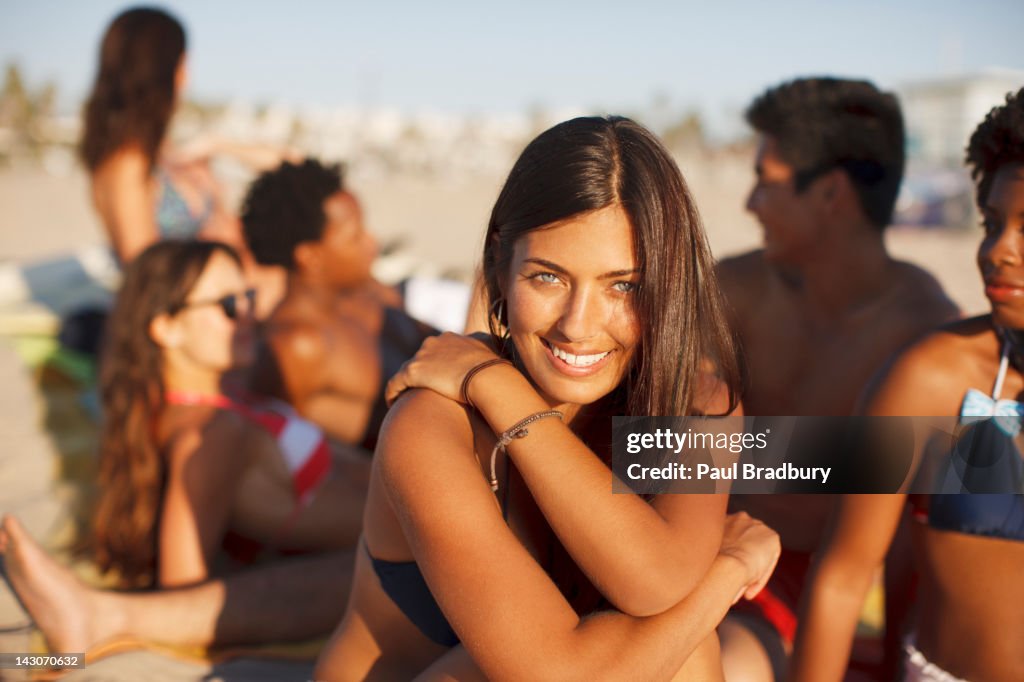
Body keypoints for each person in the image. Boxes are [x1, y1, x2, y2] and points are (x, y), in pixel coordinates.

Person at [313, 115, 779, 680]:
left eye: (623, 286)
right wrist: (729, 569)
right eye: (547, 278)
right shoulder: (433, 424)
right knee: (685, 643)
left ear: (668, 284)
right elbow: (561, 675)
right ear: (499, 267)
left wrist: (500, 388)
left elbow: (652, 578)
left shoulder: (696, 401)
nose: (579, 326)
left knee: (702, 653)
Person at [714, 77, 959, 681]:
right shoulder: (732, 289)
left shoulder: (929, 338)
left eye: (766, 183)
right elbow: (642, 449)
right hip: (698, 551)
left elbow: (937, 539)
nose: (750, 205)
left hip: (817, 590)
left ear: (829, 192)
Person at [788, 87, 1024, 682]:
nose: (999, 251)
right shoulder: (934, 378)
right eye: (992, 223)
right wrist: (649, 450)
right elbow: (842, 576)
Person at [92, 240, 367, 590]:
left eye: (248, 297)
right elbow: (181, 584)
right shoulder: (211, 433)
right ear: (167, 329)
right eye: (227, 305)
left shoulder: (208, 401)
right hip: (411, 534)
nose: (248, 314)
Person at [80, 7, 292, 314]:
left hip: (240, 292)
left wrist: (221, 145)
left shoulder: (169, 156)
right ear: (159, 71)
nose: (187, 76)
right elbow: (146, 276)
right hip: (200, 313)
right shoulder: (126, 166)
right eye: (182, 63)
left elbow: (296, 168)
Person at [241, 158, 439, 448]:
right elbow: (277, 453)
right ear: (310, 256)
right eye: (355, 236)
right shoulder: (294, 345)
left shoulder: (367, 290)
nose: (371, 242)